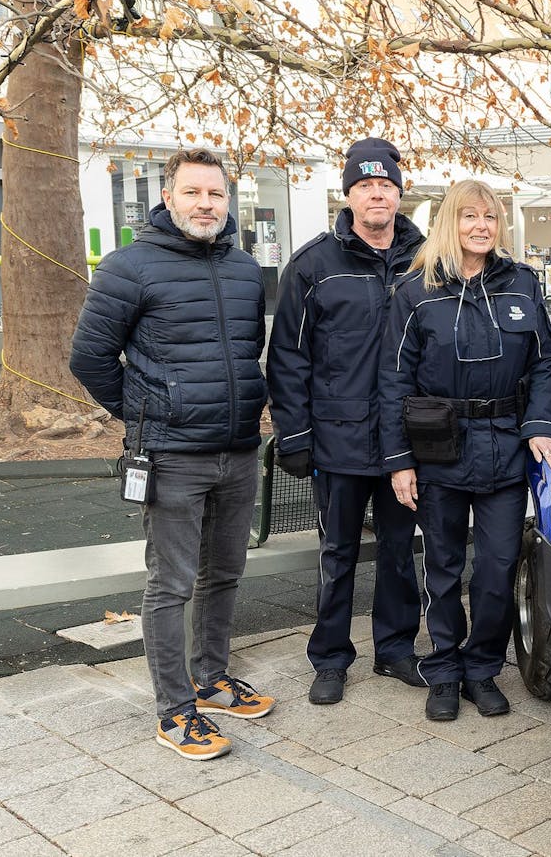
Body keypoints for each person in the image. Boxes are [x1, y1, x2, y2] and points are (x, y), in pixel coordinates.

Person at [70, 148, 274, 761]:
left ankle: (210, 679)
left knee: (225, 574)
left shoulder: (244, 269)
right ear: (168, 198)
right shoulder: (127, 268)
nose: (206, 204)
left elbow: (246, 354)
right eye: (193, 193)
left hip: (238, 451)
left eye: (215, 193)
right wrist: (146, 413)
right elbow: (90, 359)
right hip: (171, 456)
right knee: (171, 585)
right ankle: (175, 711)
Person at [378, 179, 551, 722]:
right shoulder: (417, 291)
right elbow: (393, 382)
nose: (481, 226)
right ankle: (443, 668)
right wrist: (399, 461)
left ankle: (482, 667)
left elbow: (542, 363)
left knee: (497, 567)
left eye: (490, 217)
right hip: (438, 448)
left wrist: (538, 426)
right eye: (469, 217)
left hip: (506, 447)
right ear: (449, 223)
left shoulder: (522, 285)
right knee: (441, 565)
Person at [267, 138, 426, 705]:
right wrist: (295, 433)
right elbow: (287, 355)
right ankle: (331, 658)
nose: (377, 194)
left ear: (399, 193)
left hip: (405, 441)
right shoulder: (314, 265)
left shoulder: (427, 260)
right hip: (338, 439)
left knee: (399, 549)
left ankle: (396, 649)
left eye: (386, 185)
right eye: (365, 185)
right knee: (336, 554)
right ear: (348, 194)